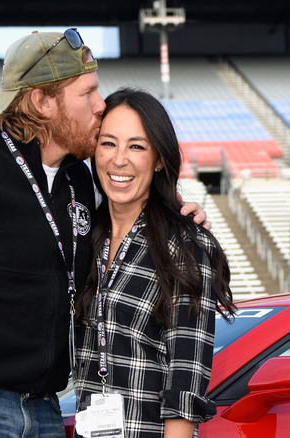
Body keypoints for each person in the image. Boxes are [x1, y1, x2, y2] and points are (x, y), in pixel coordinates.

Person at [0, 30, 208, 438]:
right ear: (42, 101)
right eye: (87, 92)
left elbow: (131, 206)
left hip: (48, 410)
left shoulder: (79, 179)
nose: (100, 105)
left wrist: (177, 211)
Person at [72, 88, 236, 438]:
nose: (119, 160)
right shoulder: (84, 239)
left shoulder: (187, 244)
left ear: (159, 158)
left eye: (136, 146)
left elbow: (186, 375)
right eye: (108, 143)